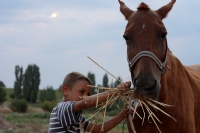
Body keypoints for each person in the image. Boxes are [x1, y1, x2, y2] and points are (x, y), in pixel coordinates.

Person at [48, 72, 132, 133]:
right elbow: (86, 103)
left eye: (88, 94)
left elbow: (99, 129)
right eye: (81, 91)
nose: (86, 97)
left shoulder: (79, 119)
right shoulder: (62, 108)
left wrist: (122, 115)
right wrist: (115, 92)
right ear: (65, 90)